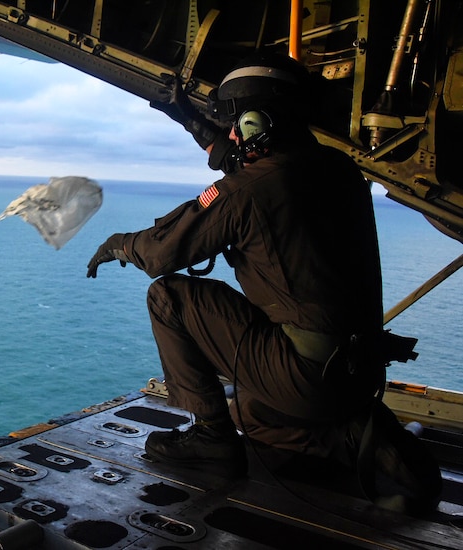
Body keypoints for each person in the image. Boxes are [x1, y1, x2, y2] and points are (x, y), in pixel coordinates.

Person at [86, 52, 440, 511]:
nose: (233, 134)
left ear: (261, 121)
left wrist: (117, 243)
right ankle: (352, 436)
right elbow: (251, 165)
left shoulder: (248, 190)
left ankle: (211, 439)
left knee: (168, 297)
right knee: (253, 414)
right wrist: (194, 125)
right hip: (359, 371)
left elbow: (161, 253)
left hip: (305, 377)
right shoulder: (340, 171)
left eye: (239, 123)